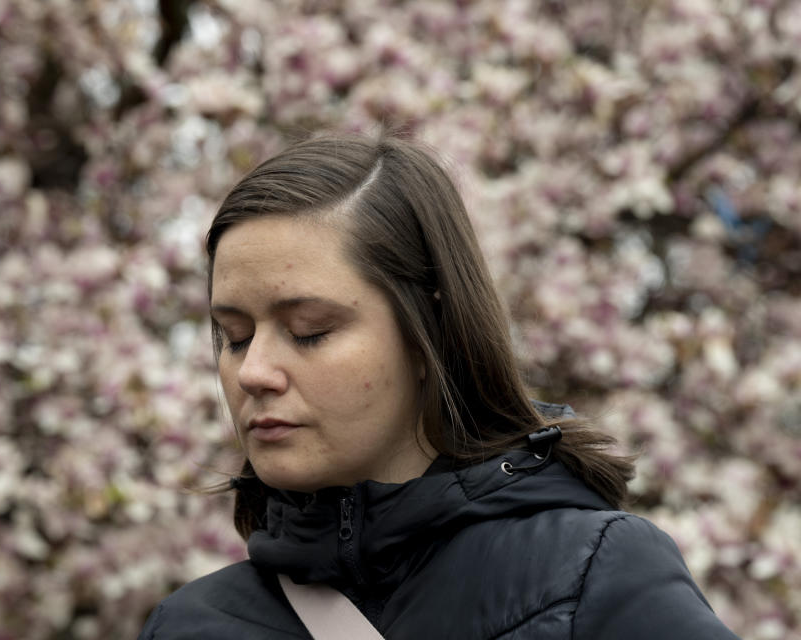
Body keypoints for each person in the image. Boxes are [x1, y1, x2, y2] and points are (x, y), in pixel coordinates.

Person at [137, 135, 740, 639]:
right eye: (235, 336)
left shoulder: (593, 575)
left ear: (430, 332)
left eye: (309, 331)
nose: (253, 373)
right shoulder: (188, 624)